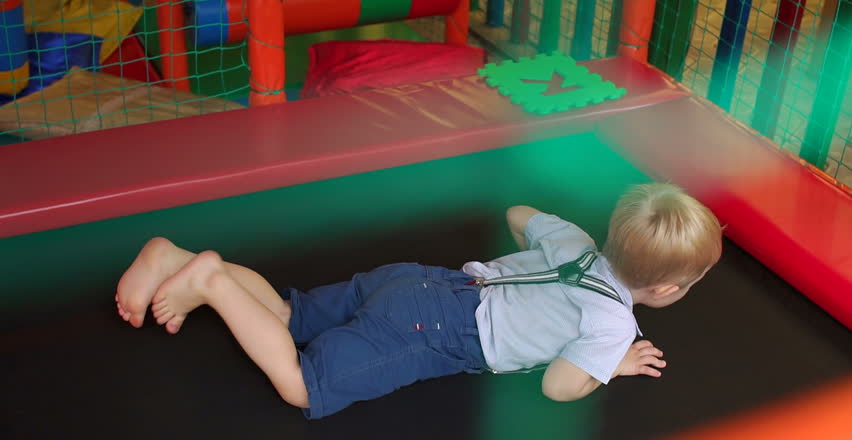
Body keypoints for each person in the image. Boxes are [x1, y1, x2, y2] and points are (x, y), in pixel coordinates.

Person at [115, 182, 722, 419]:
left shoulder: (576, 240)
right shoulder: (613, 325)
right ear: (668, 289)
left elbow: (515, 213)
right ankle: (213, 282)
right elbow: (559, 386)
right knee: (302, 383)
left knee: (288, 313)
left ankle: (170, 258)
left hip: (426, 281)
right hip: (433, 331)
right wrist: (609, 363)